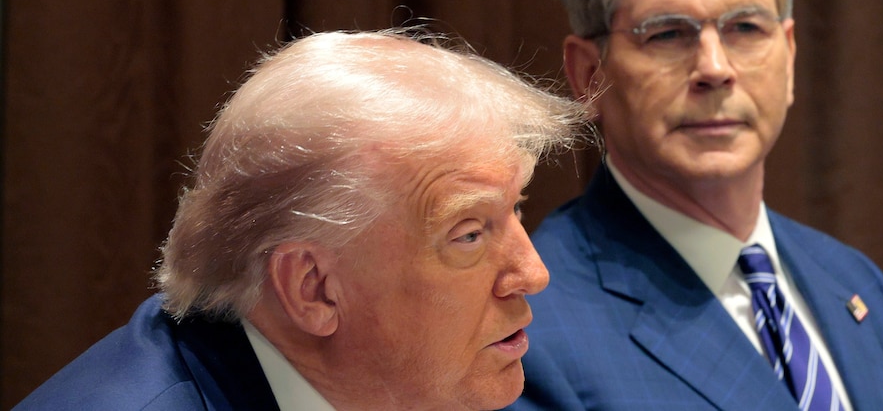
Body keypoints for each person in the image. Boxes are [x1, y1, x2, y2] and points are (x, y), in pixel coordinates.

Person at [508, 0, 883, 410]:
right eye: (667, 33)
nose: (714, 68)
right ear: (590, 75)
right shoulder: (529, 331)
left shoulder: (855, 280)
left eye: (746, 28)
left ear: (789, 55)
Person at [15, 29, 587, 411]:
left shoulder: (416, 390)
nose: (532, 272)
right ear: (312, 288)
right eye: (469, 234)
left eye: (515, 209)